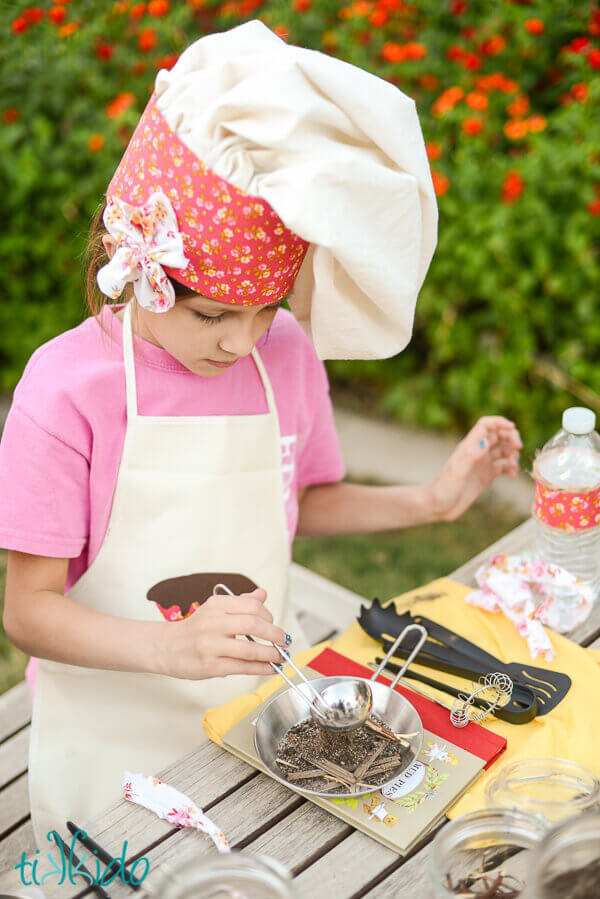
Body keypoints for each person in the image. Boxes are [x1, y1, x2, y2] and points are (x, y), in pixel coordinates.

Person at [0, 20, 521, 848]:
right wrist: (171, 648)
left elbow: (300, 500)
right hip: (110, 748)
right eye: (213, 313)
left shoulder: (285, 356)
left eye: (266, 309)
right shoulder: (66, 390)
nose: (242, 343)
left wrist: (431, 500)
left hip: (260, 731)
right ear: (134, 260)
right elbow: (26, 612)